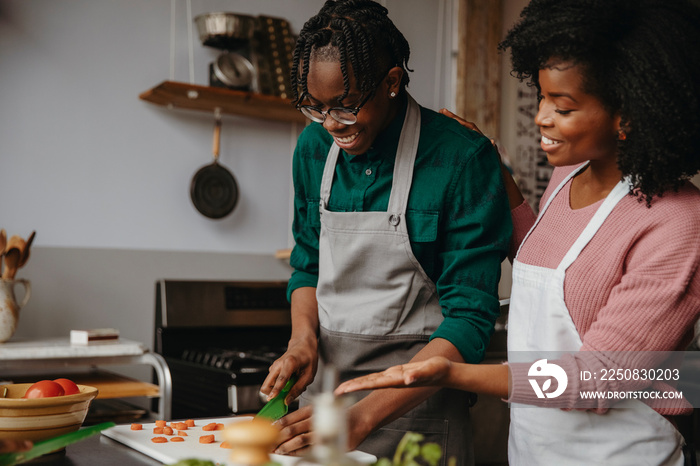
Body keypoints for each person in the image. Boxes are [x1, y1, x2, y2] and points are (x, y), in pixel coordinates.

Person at [336, 0, 700, 464]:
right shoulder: (569, 176)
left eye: (563, 107)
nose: (541, 118)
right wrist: (494, 171)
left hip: (623, 452)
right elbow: (543, 254)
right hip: (535, 449)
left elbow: (596, 378)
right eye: (542, 97)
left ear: (628, 115)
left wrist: (451, 373)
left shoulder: (679, 222)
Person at [260, 0, 512, 463]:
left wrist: (362, 416)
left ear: (392, 82)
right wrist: (303, 341)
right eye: (316, 109)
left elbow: (470, 319)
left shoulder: (461, 159)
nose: (333, 125)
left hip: (420, 414)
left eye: (347, 106)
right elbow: (308, 263)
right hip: (328, 407)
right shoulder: (313, 148)